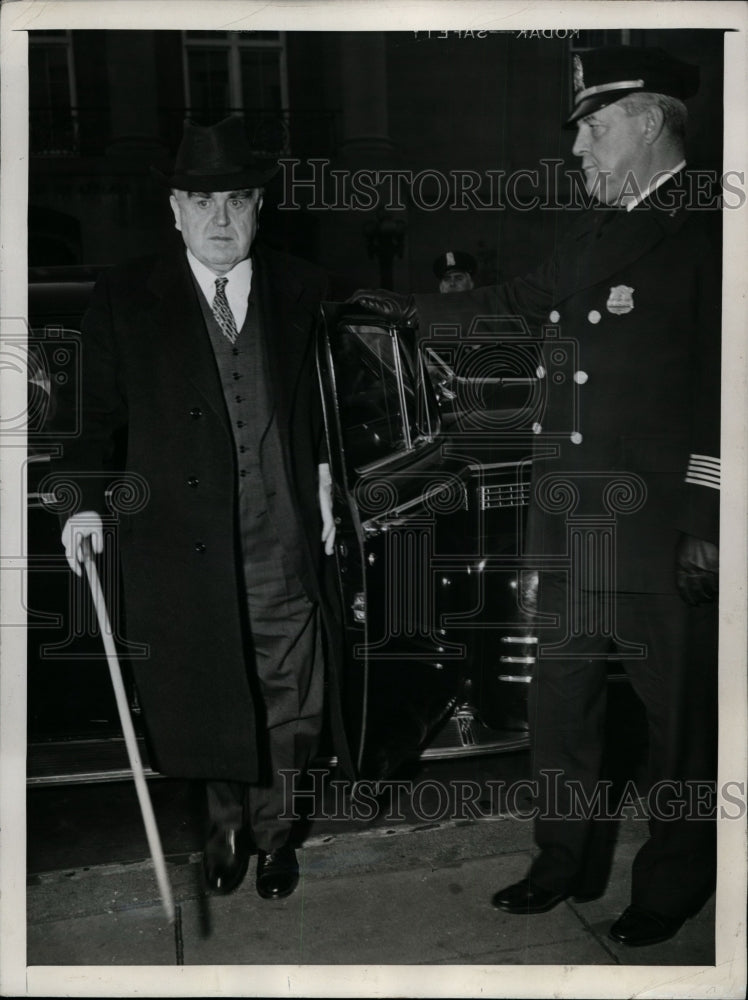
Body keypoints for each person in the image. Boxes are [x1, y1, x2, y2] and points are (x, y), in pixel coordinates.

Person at [351, 45, 720, 947]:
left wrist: (706, 525)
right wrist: (390, 308)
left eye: (595, 128)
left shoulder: (711, 228)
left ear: (648, 120)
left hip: (657, 530)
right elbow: (514, 303)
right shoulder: (593, 234)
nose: (579, 149)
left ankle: (672, 883)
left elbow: (729, 387)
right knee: (562, 710)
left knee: (680, 728)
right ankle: (562, 861)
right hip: (573, 527)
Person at [52, 116, 352, 901]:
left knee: (291, 698)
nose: (221, 221)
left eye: (237, 202)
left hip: (281, 534)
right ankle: (225, 829)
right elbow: (88, 419)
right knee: (211, 688)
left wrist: (325, 479)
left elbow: (333, 409)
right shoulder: (126, 296)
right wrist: (79, 505)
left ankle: (279, 832)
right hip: (179, 543)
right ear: (175, 211)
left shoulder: (305, 291)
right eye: (202, 202)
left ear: (260, 207)